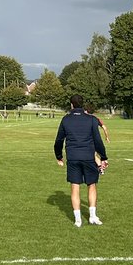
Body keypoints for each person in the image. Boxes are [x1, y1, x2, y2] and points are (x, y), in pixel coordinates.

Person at [54, 94, 107, 226]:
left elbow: (59, 140)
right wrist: (104, 156)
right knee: (92, 185)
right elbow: (98, 140)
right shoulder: (92, 119)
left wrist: (59, 156)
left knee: (75, 187)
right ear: (82, 104)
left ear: (71, 104)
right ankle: (92, 216)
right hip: (88, 157)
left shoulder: (65, 119)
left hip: (72, 157)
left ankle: (78, 220)